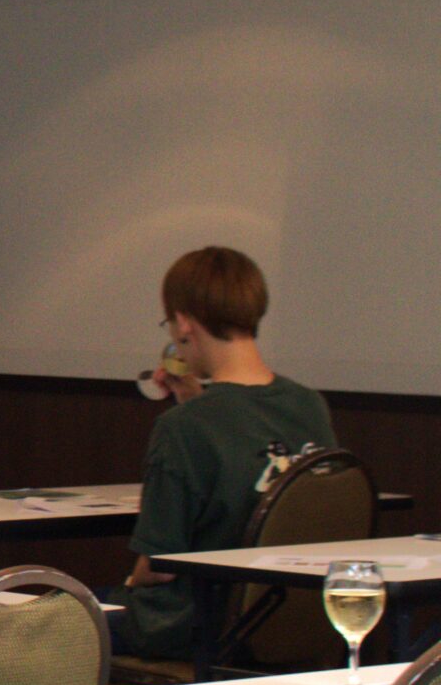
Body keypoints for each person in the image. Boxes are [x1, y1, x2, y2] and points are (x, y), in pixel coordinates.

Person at [109, 247, 334, 663]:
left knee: (74, 621)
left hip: (201, 628)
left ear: (183, 323)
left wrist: (129, 581)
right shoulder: (309, 405)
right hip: (298, 622)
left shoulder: (185, 428)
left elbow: (159, 565)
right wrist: (193, 401)